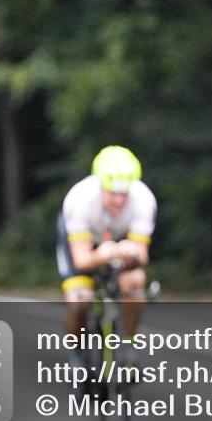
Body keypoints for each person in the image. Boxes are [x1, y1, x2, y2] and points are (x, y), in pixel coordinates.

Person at [56, 145, 157, 367]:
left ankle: (129, 345)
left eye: (124, 194)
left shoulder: (143, 199)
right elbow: (81, 260)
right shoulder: (79, 200)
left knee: (135, 281)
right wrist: (101, 255)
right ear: (100, 185)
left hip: (121, 242)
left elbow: (142, 256)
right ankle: (76, 353)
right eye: (113, 193)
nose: (119, 200)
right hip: (85, 244)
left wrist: (132, 253)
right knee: (79, 300)